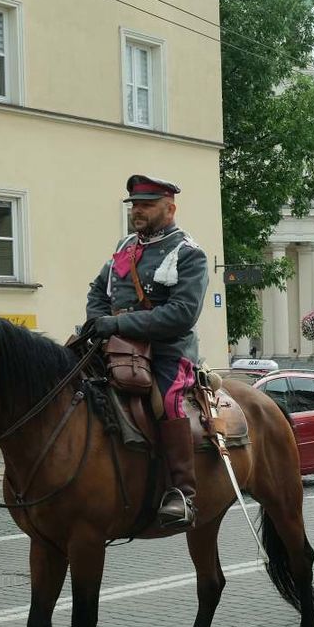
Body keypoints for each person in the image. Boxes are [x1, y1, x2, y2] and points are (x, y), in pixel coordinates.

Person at [86, 175, 208, 532]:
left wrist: (118, 325)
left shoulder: (188, 253)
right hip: (115, 344)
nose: (137, 211)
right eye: (134, 205)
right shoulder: (125, 247)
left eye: (146, 205)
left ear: (170, 208)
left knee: (167, 401)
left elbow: (182, 314)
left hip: (168, 350)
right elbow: (97, 292)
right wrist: (99, 322)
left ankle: (182, 492)